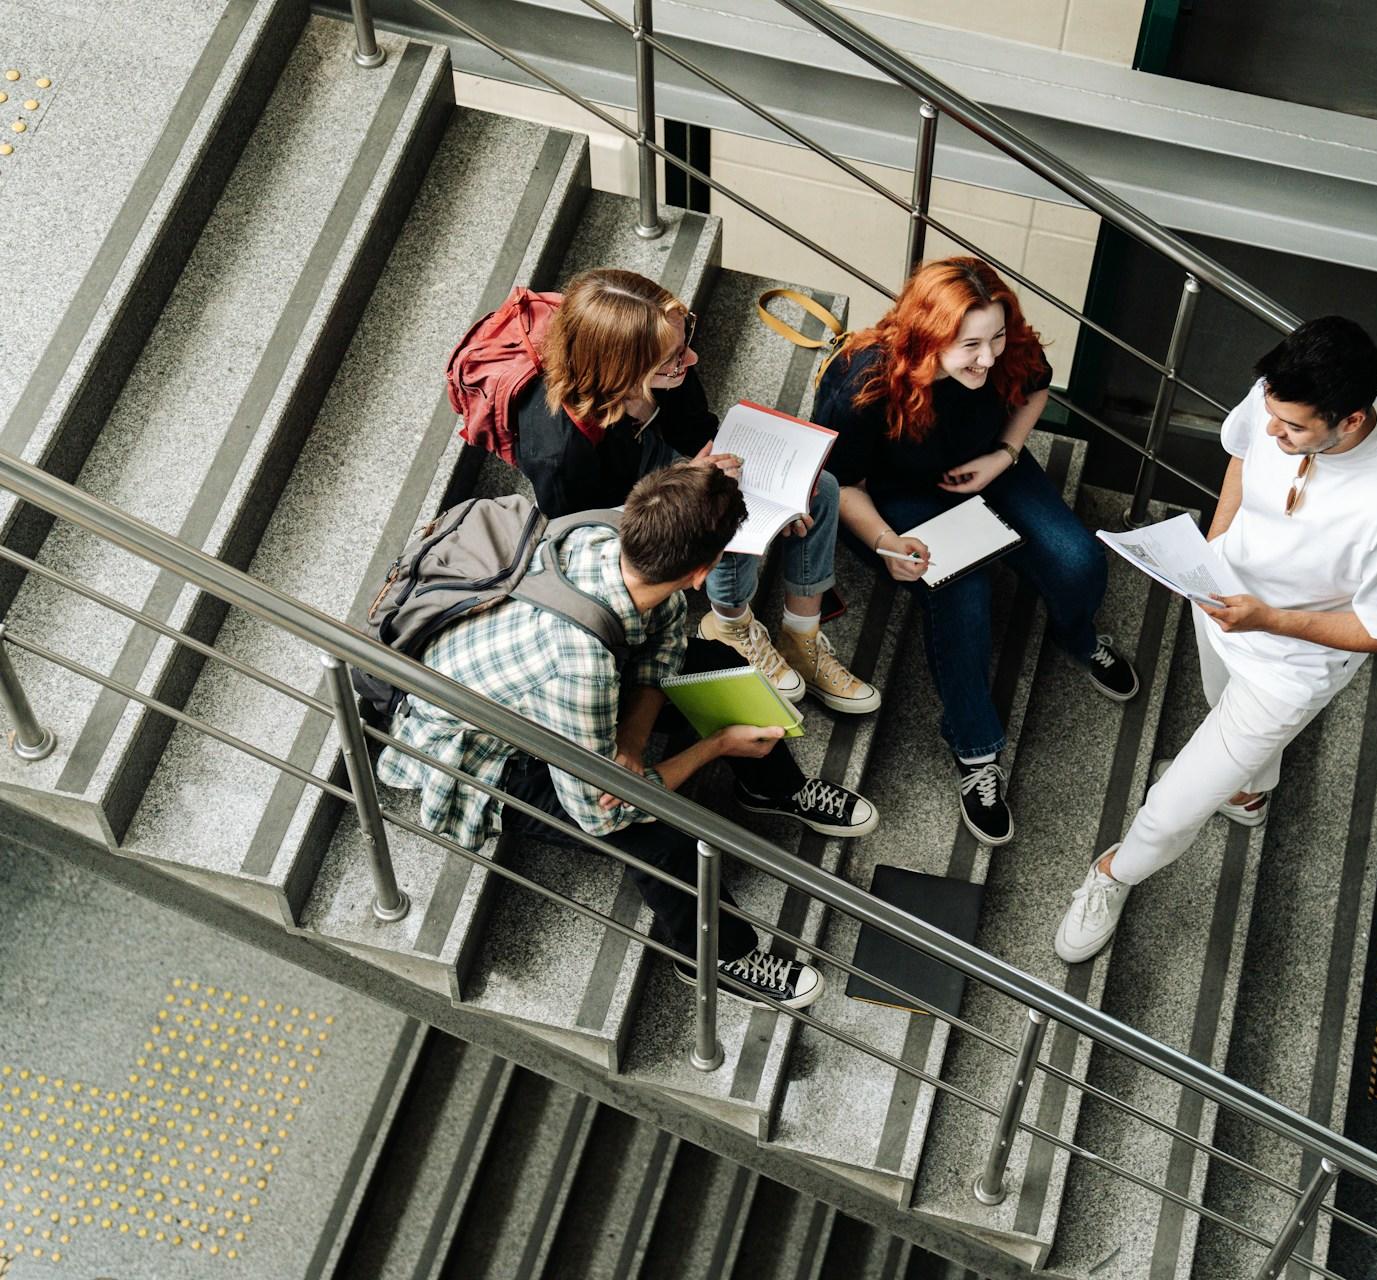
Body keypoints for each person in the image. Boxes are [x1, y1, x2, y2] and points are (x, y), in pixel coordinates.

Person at [376, 464, 880, 1009]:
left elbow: (665, 640)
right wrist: (714, 746)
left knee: (715, 662)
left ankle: (771, 786)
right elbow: (602, 815)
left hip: (539, 683)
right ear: (702, 574)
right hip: (484, 759)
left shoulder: (615, 536)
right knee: (661, 832)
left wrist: (632, 745)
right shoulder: (579, 667)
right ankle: (718, 957)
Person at [1053, 317, 1377, 962]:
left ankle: (1111, 874)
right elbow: (1241, 451)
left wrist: (1270, 619)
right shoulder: (1277, 397)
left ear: (1351, 420)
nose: (1273, 432)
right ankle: (1247, 792)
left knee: (1172, 804)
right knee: (1218, 703)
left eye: (1293, 429)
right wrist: (1213, 547)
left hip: (1289, 664)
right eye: (1272, 414)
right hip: (1222, 601)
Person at [813, 257, 1138, 847]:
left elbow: (1035, 388)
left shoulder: (1005, 350)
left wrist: (1004, 455)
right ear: (928, 336)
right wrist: (885, 542)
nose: (988, 359)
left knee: (1079, 561)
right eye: (970, 346)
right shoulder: (864, 382)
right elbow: (840, 483)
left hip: (986, 461)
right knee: (963, 590)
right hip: (894, 495)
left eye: (996, 339)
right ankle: (976, 749)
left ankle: (1078, 634)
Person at [512, 267, 879, 716]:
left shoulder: (670, 364)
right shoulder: (560, 450)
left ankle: (801, 636)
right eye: (673, 358)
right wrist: (690, 486)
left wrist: (778, 495)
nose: (691, 358)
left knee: (819, 488)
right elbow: (583, 536)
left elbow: (698, 430)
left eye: (685, 339)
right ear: (624, 371)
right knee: (717, 510)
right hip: (618, 508)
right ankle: (730, 624)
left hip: (657, 456)